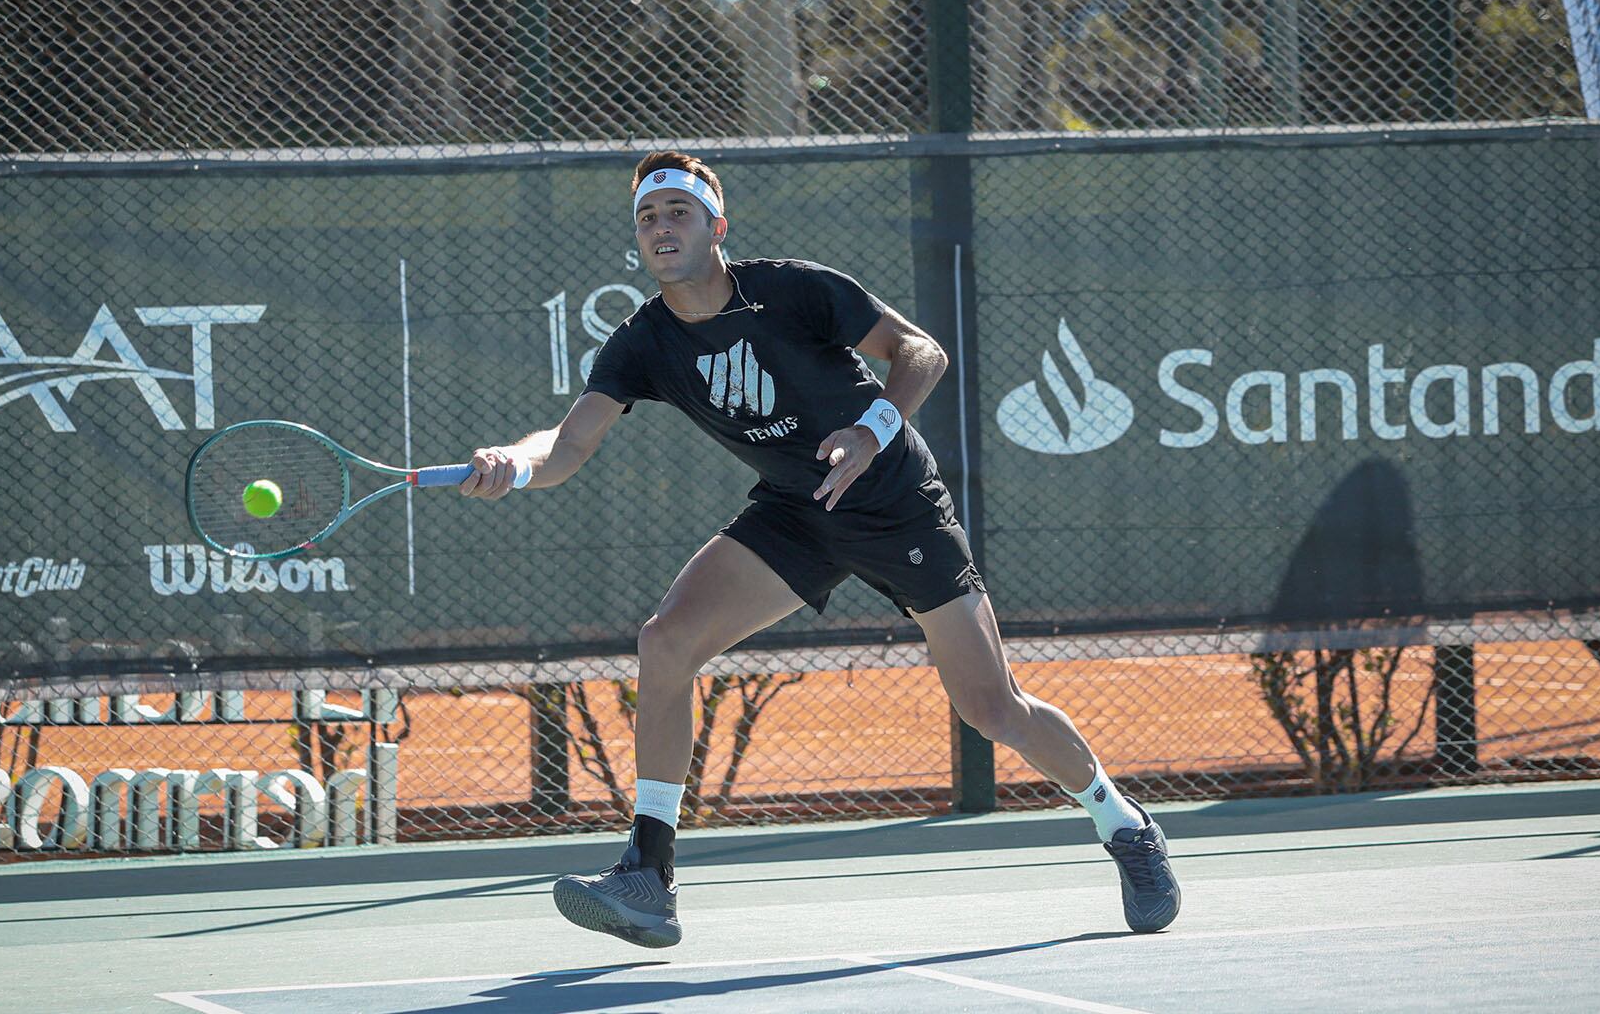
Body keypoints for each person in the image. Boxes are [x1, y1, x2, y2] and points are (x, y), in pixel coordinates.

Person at [458, 151, 1180, 948]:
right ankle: (648, 876)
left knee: (991, 708)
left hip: (894, 502)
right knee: (667, 641)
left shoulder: (793, 289)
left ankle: (1125, 825)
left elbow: (921, 352)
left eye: (678, 213)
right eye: (647, 217)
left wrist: (871, 434)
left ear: (716, 228)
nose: (661, 227)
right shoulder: (643, 342)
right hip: (797, 511)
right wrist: (512, 464)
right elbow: (567, 445)